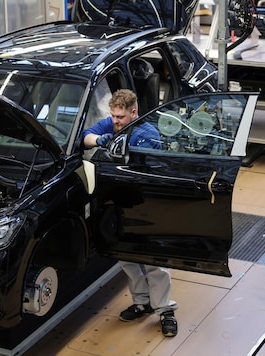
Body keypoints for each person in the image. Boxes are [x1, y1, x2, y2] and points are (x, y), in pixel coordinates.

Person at [82, 89, 178, 337]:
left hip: (144, 202)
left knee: (154, 261)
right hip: (119, 201)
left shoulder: (147, 133)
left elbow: (138, 167)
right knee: (125, 256)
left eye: (120, 117)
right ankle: (142, 302)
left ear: (133, 113)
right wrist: (100, 140)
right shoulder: (112, 124)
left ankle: (165, 311)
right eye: (113, 116)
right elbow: (85, 136)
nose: (115, 121)